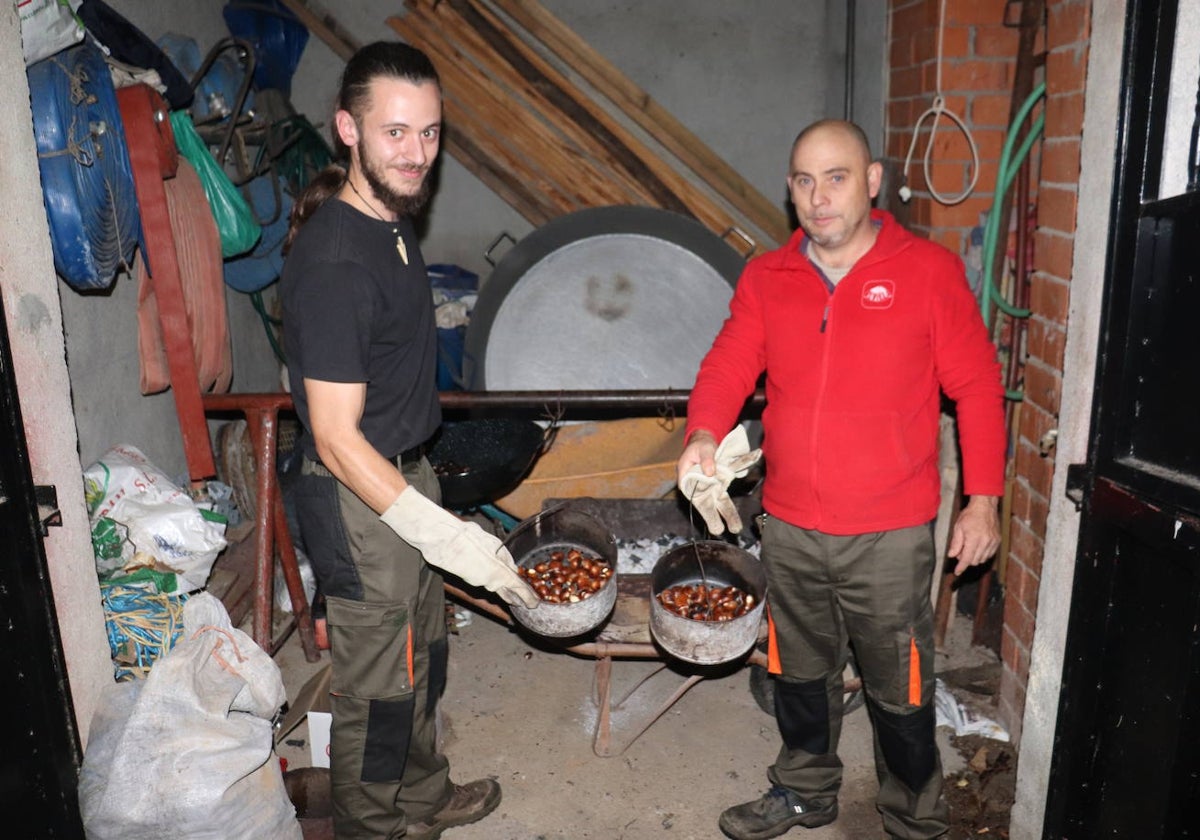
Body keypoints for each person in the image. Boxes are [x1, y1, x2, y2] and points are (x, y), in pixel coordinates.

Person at [676, 119, 1005, 840]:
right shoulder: (770, 277)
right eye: (803, 180)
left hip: (888, 534)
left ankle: (913, 816)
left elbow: (977, 386)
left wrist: (982, 500)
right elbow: (730, 361)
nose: (818, 197)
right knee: (797, 673)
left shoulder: (926, 272)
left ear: (874, 181)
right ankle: (804, 791)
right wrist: (704, 430)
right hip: (790, 526)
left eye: (836, 177)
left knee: (901, 686)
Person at [280, 41, 538, 840]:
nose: (417, 153)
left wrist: (432, 500)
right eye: (395, 132)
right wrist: (440, 532)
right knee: (379, 691)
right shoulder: (335, 261)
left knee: (423, 658)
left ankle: (421, 802)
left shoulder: (389, 225)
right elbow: (332, 437)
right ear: (347, 130)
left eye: (429, 133)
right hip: (360, 499)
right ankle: (371, 827)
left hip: (407, 476)